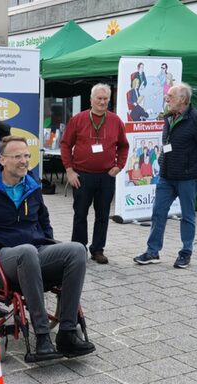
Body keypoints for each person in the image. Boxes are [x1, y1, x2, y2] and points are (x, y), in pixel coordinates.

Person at [0, 135, 96, 359]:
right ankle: (42, 337)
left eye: (27, 156)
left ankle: (67, 332)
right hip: (3, 257)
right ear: (2, 160)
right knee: (26, 251)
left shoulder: (32, 184)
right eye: (17, 156)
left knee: (76, 249)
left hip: (36, 251)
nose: (24, 161)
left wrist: (48, 241)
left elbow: (43, 219)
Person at [61, 83, 129, 264]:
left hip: (106, 176)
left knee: (103, 215)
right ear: (91, 99)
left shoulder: (116, 121)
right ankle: (78, 249)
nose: (102, 102)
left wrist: (119, 166)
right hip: (82, 175)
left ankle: (98, 249)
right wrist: (69, 170)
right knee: (80, 213)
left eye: (106, 98)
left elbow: (123, 146)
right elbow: (65, 144)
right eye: (99, 98)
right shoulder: (78, 119)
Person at [134, 83, 197, 269]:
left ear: (183, 100)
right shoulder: (169, 116)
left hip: (187, 177)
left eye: (170, 96)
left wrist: (192, 169)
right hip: (166, 176)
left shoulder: (194, 118)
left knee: (187, 216)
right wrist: (162, 162)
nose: (166, 98)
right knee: (158, 213)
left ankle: (185, 253)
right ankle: (152, 251)